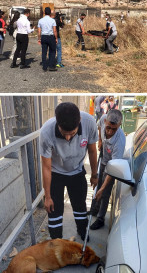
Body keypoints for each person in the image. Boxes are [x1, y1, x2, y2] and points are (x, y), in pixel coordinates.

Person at [39, 102, 99, 241]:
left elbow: (92, 150)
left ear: (79, 123)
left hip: (77, 172)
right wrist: (47, 197)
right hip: (55, 173)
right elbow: (46, 167)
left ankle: (82, 231)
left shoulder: (89, 123)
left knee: (80, 206)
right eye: (63, 133)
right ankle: (57, 241)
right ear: (57, 124)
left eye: (71, 134)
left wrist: (94, 175)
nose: (67, 138)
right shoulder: (46, 132)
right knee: (54, 211)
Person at [90, 109, 125, 230]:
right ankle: (94, 209)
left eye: (114, 129)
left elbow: (114, 168)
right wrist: (100, 139)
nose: (109, 132)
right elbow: (100, 126)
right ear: (106, 121)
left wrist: (103, 188)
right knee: (97, 187)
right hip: (103, 159)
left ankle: (100, 219)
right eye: (108, 127)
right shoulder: (103, 119)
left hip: (111, 165)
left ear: (119, 125)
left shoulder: (119, 141)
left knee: (104, 192)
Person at [37, 7, 57, 71]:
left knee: (44, 52)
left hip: (43, 36)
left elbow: (39, 31)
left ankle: (44, 66)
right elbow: (54, 30)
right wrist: (56, 38)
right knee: (52, 51)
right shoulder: (52, 20)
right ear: (50, 13)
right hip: (51, 36)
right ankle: (51, 66)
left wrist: (39, 39)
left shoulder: (40, 20)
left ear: (44, 12)